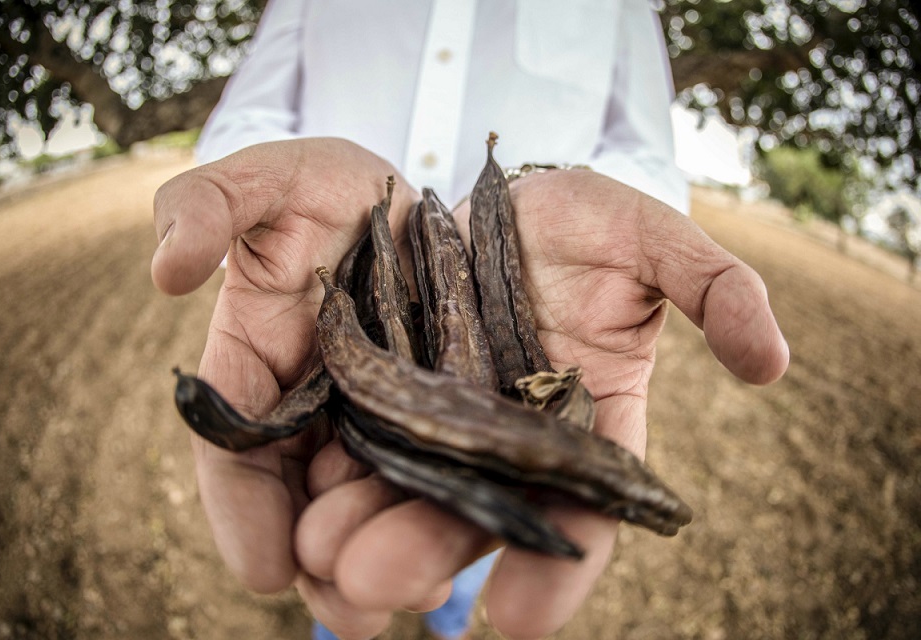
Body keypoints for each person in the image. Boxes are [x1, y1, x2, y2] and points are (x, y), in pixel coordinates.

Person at [151, 2, 790, 639]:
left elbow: (647, 153)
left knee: (459, 544)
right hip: (329, 253)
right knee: (348, 560)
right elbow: (247, 111)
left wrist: (564, 186)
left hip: (533, 281)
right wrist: (266, 190)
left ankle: (448, 622)